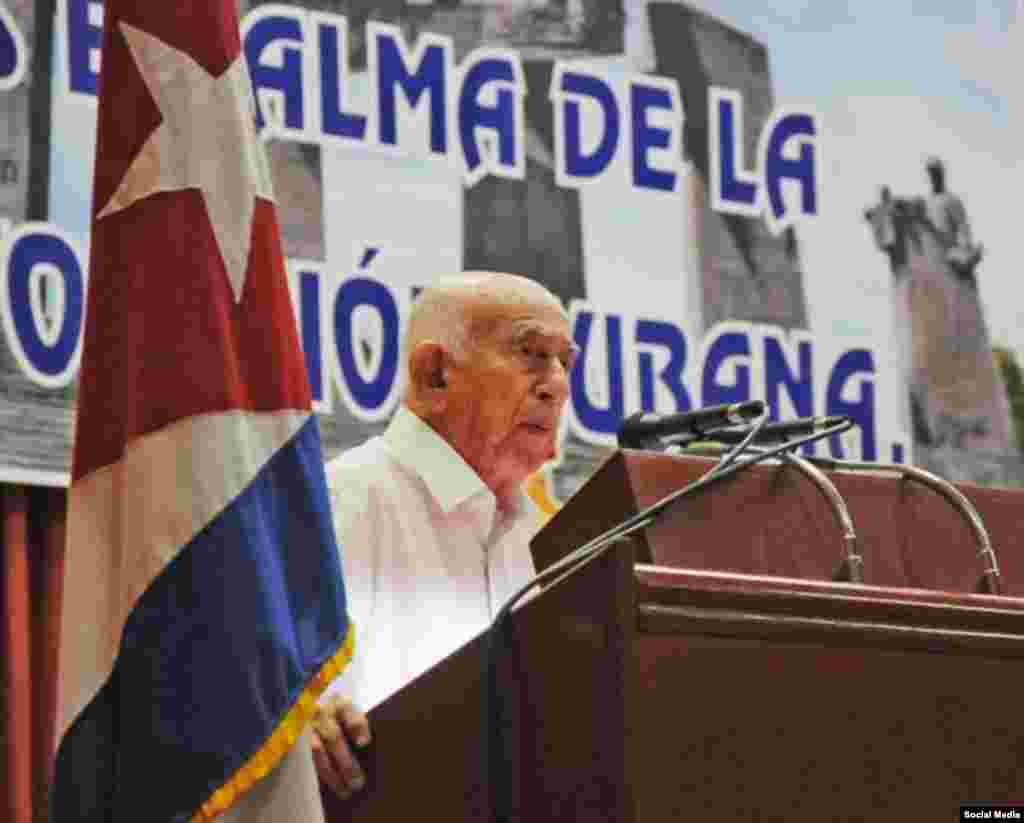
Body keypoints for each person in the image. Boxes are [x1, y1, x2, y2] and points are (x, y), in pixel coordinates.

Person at [310, 271, 578, 799]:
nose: (557, 384)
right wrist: (299, 725)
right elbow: (263, 711)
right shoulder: (342, 500)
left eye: (565, 362)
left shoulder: (545, 535)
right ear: (434, 374)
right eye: (531, 355)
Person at [923, 156, 983, 280]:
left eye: (936, 173)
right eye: (932, 174)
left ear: (942, 175)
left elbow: (962, 226)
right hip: (930, 250)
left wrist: (964, 246)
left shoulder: (952, 200)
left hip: (949, 250)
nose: (934, 177)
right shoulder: (926, 202)